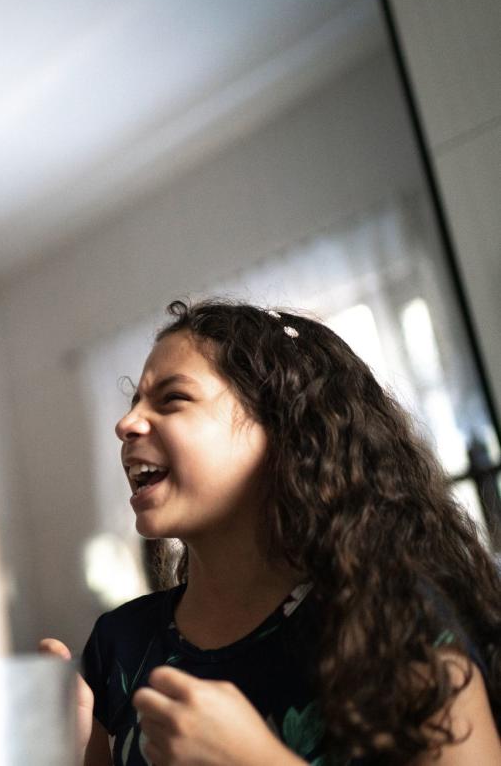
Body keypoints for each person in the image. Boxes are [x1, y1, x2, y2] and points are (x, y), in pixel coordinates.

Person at [41, 299, 501, 765]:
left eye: (172, 399)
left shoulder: (401, 622)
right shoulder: (118, 644)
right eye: (134, 403)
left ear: (286, 430)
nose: (126, 424)